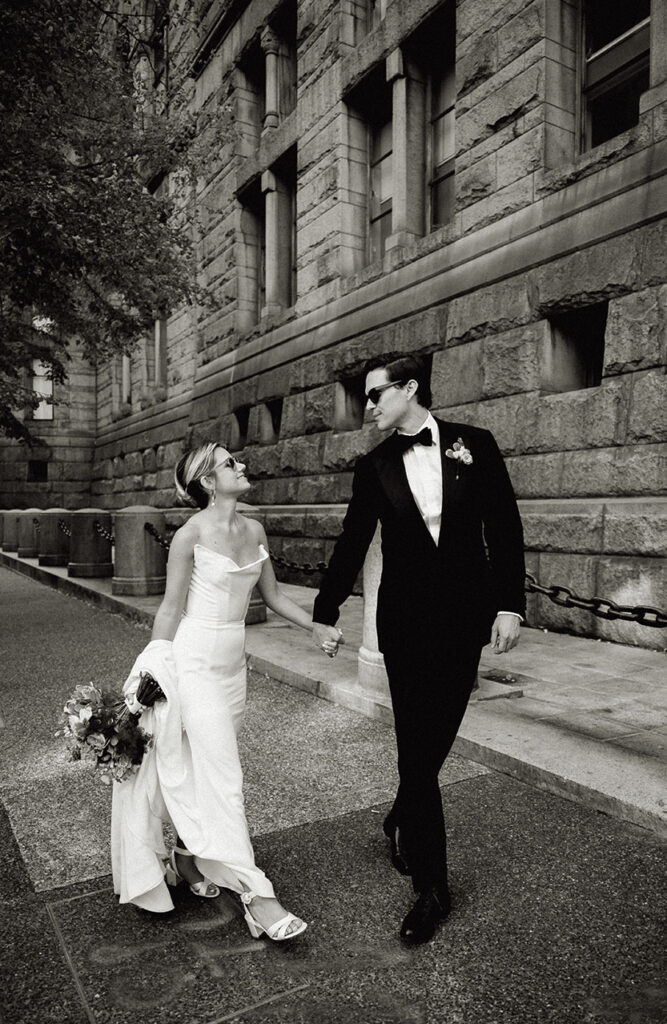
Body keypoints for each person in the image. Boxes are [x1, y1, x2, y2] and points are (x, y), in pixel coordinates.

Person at [312, 355, 525, 945]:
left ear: (409, 390)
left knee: (436, 740)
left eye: (376, 395)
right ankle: (432, 888)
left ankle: (402, 812)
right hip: (403, 625)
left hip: (465, 622)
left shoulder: (474, 444)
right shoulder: (374, 465)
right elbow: (353, 540)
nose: (369, 407)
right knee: (414, 748)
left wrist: (511, 604)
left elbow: (503, 527)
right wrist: (324, 613)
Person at [111, 441, 335, 940]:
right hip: (192, 662)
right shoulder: (189, 536)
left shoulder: (254, 528)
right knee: (225, 778)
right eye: (230, 464)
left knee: (197, 768)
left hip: (233, 668)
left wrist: (315, 628)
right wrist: (151, 667)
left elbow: (272, 595)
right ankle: (260, 898)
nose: (242, 466)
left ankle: (187, 858)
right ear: (209, 482)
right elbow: (170, 608)